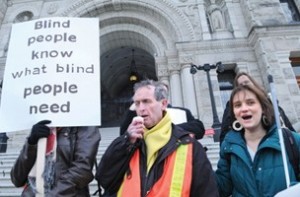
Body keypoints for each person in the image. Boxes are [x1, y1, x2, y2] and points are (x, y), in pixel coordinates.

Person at [96, 79, 218, 196]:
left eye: (146, 101)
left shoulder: (189, 146)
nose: (141, 108)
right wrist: (126, 141)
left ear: (164, 103)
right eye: (137, 103)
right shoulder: (130, 143)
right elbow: (104, 179)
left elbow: (206, 191)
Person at [215, 85, 300, 196]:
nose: (244, 109)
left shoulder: (292, 140)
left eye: (250, 102)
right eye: (237, 105)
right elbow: (222, 187)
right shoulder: (228, 146)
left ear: (263, 107)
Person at [10, 120, 101, 196]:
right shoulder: (41, 126)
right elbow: (17, 179)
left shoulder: (84, 125)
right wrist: (31, 142)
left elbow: (82, 170)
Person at [219, 72, 296, 145]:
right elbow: (225, 134)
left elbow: (289, 130)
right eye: (241, 85)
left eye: (246, 82)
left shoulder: (271, 103)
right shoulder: (231, 107)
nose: (245, 86)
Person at [119, 83, 205, 140]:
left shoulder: (182, 112)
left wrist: (164, 129)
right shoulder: (140, 114)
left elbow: (198, 129)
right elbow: (123, 134)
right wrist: (131, 110)